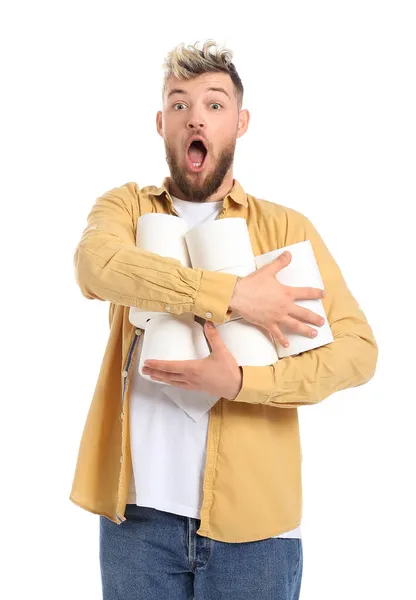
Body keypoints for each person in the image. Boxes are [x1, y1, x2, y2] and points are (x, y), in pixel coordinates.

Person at [70, 40, 378, 600]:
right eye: (180, 103)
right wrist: (234, 296)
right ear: (162, 122)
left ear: (241, 121)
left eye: (214, 105)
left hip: (257, 531)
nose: (196, 116)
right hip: (138, 521)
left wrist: (241, 383)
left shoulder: (286, 230)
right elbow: (96, 266)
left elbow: (358, 352)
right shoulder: (127, 210)